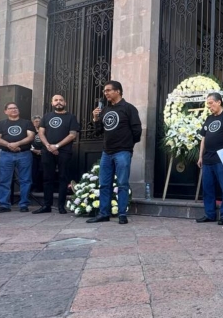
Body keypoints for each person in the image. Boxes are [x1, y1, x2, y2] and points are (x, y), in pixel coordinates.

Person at [88, 81, 142, 224]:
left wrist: (128, 146)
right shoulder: (105, 110)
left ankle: (122, 214)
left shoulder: (129, 108)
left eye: (108, 90)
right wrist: (95, 119)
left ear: (118, 91)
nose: (105, 93)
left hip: (122, 152)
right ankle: (103, 214)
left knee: (122, 183)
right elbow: (98, 132)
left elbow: (137, 130)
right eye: (104, 91)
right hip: (107, 153)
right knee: (104, 184)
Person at [196, 92, 223, 226]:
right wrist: (200, 156)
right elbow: (203, 138)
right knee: (207, 188)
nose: (209, 106)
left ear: (219, 102)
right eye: (208, 104)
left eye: (211, 103)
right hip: (208, 159)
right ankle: (210, 214)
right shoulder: (209, 118)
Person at [35, 95, 80, 214]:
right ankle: (47, 205)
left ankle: (61, 206)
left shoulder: (71, 117)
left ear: (65, 102)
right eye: (56, 100)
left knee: (63, 178)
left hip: (64, 151)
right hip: (47, 151)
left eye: (61, 100)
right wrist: (49, 146)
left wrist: (57, 146)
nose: (58, 102)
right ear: (52, 103)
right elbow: (41, 132)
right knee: (47, 178)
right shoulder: (46, 116)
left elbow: (72, 135)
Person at [0, 103, 36, 213]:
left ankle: (24, 204)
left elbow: (31, 136)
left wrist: (17, 144)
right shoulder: (1, 124)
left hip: (24, 153)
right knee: (4, 180)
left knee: (25, 180)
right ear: (5, 111)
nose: (14, 110)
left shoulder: (26, 123)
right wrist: (9, 145)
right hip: (6, 154)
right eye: (11, 108)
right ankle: (4, 205)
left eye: (16, 108)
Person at [30, 115, 44, 193]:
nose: (37, 123)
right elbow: (28, 142)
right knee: (33, 171)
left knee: (42, 170)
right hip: (33, 153)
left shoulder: (45, 131)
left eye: (39, 121)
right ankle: (34, 187)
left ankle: (40, 187)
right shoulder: (31, 132)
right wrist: (34, 150)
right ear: (33, 123)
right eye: (36, 121)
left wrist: (42, 151)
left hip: (43, 153)